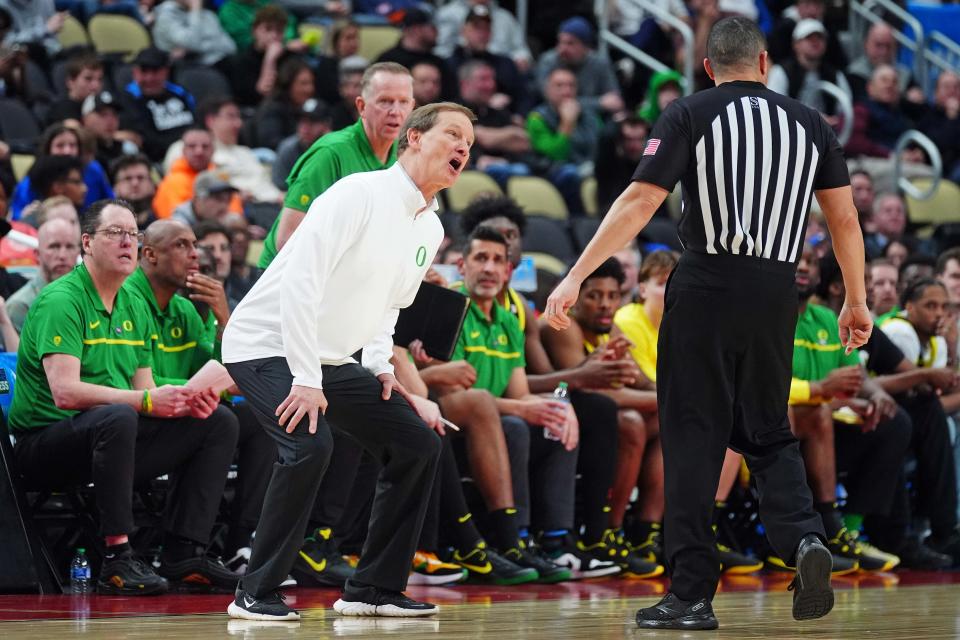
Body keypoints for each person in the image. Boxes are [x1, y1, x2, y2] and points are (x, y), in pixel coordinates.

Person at [544, 17, 871, 629]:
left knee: (695, 436)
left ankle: (692, 593)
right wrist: (856, 298)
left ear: (707, 66)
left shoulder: (690, 112)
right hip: (778, 290)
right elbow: (846, 222)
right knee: (768, 429)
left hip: (705, 283)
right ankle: (804, 537)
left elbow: (641, 200)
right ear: (766, 63)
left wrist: (575, 274)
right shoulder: (812, 123)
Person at [221, 102, 474, 621]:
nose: (463, 147)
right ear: (414, 138)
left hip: (331, 359)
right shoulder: (357, 193)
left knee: (417, 445)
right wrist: (307, 378)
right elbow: (301, 281)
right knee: (310, 444)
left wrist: (381, 366)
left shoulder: (430, 230)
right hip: (264, 344)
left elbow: (390, 307)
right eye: (453, 134)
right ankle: (254, 591)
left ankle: (373, 589)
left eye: (469, 142)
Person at [8, 199, 240, 595]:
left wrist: (183, 402)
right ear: (87, 243)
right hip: (44, 446)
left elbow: (144, 388)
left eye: (132, 234)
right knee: (118, 416)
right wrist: (149, 403)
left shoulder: (134, 303)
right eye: (115, 233)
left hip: (111, 441)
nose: (126, 242)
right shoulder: (61, 300)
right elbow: (65, 392)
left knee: (217, 421)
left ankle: (185, 549)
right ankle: (117, 558)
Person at [258, 62, 414, 268]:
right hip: (283, 276)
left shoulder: (404, 157)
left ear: (412, 107)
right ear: (361, 106)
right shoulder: (331, 153)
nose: (395, 111)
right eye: (385, 101)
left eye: (403, 102)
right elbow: (286, 240)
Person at [119, 46, 197, 162]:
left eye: (155, 71)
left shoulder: (181, 93)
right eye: (144, 71)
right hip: (158, 160)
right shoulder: (127, 98)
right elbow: (145, 140)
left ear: (166, 72)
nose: (149, 78)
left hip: (195, 150)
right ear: (135, 72)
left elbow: (196, 123)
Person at [6, 217, 80, 332]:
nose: (62, 255)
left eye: (70, 246)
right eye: (54, 246)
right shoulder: (20, 306)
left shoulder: (93, 298)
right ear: (37, 254)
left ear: (78, 252)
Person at [152, 0, 237, 66]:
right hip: (185, 69)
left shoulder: (207, 14)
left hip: (218, 63)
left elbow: (231, 47)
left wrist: (193, 49)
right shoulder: (165, 17)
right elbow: (192, 43)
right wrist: (195, 10)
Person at [272, 98, 331, 191]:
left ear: (326, 125)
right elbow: (280, 188)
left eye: (312, 121)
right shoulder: (288, 148)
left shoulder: (335, 149)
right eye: (302, 121)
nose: (305, 127)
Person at [111, 154, 158, 228]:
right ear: (116, 187)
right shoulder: (105, 228)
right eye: (128, 178)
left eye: (140, 178)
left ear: (152, 185)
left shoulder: (164, 222)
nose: (135, 183)